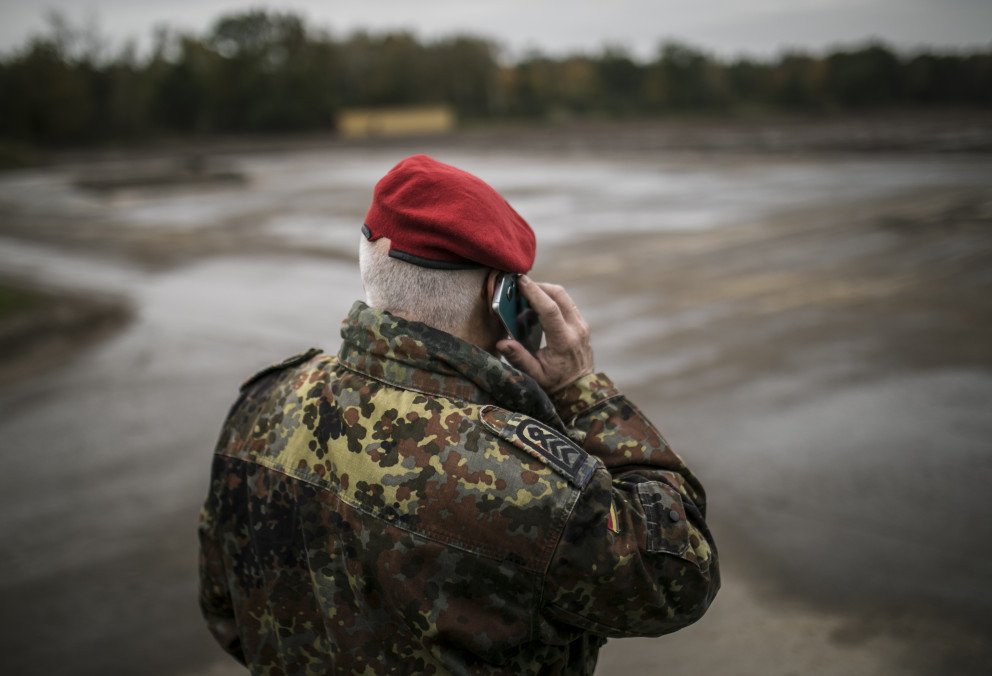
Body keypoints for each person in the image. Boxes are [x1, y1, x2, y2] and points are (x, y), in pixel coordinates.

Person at [198, 154, 719, 675]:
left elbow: (226, 611)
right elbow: (682, 577)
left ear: (373, 264)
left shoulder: (262, 402)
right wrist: (581, 390)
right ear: (499, 294)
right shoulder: (528, 482)